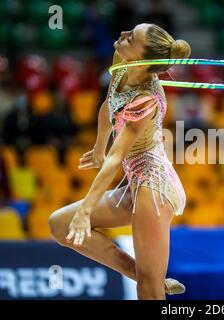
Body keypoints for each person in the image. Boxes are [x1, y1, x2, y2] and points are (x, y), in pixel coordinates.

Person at [48, 23, 189, 300]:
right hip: (134, 182)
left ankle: (151, 282)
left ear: (143, 58)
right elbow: (108, 104)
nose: (123, 34)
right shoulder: (122, 64)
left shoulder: (146, 99)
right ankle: (150, 278)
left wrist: (87, 210)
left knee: (147, 292)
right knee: (60, 225)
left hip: (153, 187)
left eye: (131, 37)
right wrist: (99, 146)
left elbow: (117, 157)